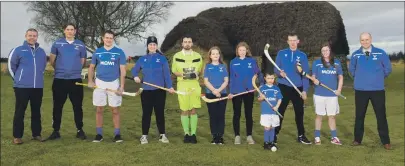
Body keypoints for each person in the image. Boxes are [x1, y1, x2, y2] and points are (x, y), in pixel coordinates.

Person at [348, 32, 392, 150]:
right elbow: (351, 69)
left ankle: (386, 141)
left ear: (371, 39)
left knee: (381, 116)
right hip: (361, 91)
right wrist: (359, 79)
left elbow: (388, 68)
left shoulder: (380, 52)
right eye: (362, 40)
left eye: (367, 39)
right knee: (359, 116)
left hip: (377, 90)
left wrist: (378, 78)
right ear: (360, 41)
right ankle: (357, 139)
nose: (365, 42)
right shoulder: (356, 54)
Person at [47, 23, 87, 141]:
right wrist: (61, 70)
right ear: (64, 31)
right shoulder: (57, 43)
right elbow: (52, 61)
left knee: (77, 106)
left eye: (72, 29)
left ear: (75, 31)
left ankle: (80, 130)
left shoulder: (80, 45)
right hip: (60, 80)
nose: (70, 31)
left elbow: (83, 62)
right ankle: (56, 131)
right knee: (57, 106)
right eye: (67, 29)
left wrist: (73, 71)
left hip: (75, 81)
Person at [131, 36, 175, 144]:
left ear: (156, 46)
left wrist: (170, 86)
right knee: (146, 113)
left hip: (159, 91)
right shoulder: (142, 59)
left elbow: (166, 75)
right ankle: (144, 136)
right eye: (150, 44)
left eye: (154, 44)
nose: (152, 46)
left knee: (159, 113)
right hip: (146, 91)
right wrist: (135, 76)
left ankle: (162, 135)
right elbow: (134, 70)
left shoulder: (162, 58)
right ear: (147, 46)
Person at [8, 28, 47, 144]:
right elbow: (11, 66)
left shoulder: (42, 51)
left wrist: (38, 78)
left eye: (34, 36)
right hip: (22, 87)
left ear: (37, 37)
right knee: (20, 111)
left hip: (37, 87)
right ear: (26, 36)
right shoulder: (18, 50)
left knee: (36, 111)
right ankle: (17, 136)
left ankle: (36, 134)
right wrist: (18, 80)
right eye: (30, 35)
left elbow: (42, 67)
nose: (32, 37)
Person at [87, 30, 127, 143]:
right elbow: (91, 67)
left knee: (115, 110)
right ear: (102, 38)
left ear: (113, 39)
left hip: (114, 82)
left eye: (111, 38)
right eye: (107, 37)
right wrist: (90, 81)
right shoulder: (97, 52)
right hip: (99, 83)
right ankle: (99, 134)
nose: (108, 40)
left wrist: (121, 86)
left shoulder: (119, 52)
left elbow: (123, 70)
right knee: (99, 109)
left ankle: (117, 135)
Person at [274, 32, 311, 144]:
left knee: (299, 113)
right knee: (280, 111)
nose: (293, 42)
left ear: (298, 41)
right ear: (288, 41)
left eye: (294, 40)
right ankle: (274, 135)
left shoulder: (302, 55)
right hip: (283, 86)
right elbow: (276, 70)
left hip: (297, 88)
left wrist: (304, 90)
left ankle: (301, 135)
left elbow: (305, 75)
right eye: (290, 40)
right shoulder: (281, 53)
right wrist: (280, 73)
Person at [228, 42, 263, 145]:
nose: (242, 52)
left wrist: (261, 83)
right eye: (240, 50)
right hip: (236, 92)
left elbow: (258, 73)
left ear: (246, 51)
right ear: (237, 51)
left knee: (248, 114)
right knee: (237, 114)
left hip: (249, 91)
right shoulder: (233, 62)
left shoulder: (251, 61)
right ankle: (237, 136)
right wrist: (231, 92)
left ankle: (249, 136)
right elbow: (232, 78)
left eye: (244, 50)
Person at [171, 35, 203, 144]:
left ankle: (193, 134)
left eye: (189, 42)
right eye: (185, 42)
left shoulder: (198, 56)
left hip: (194, 85)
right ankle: (186, 134)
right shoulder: (176, 56)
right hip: (182, 86)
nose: (187, 43)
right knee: (184, 109)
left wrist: (194, 74)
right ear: (182, 44)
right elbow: (175, 71)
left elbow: (199, 71)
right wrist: (185, 75)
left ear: (192, 43)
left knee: (193, 109)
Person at [311, 43, 343, 145]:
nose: (325, 52)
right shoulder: (317, 63)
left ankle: (334, 137)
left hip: (332, 95)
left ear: (330, 51)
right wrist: (314, 80)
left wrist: (339, 89)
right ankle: (317, 137)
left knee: (332, 116)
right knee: (319, 115)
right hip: (319, 94)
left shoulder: (337, 63)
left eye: (327, 50)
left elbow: (340, 77)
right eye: (323, 51)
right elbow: (313, 76)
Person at [203, 46, 229, 144]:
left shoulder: (223, 66)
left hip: (222, 94)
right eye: (213, 54)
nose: (215, 55)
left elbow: (226, 81)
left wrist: (219, 90)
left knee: (220, 115)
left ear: (219, 55)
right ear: (210, 55)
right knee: (213, 115)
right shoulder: (207, 67)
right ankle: (214, 136)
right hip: (210, 94)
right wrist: (214, 90)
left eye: (217, 54)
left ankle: (220, 137)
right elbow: (206, 81)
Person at [257, 73, 282, 150]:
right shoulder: (262, 88)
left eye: (272, 78)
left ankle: (271, 142)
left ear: (274, 78)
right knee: (267, 127)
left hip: (274, 111)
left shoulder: (276, 88)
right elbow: (259, 99)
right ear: (265, 78)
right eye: (268, 78)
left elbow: (280, 99)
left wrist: (277, 107)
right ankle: (266, 143)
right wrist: (262, 97)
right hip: (265, 112)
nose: (270, 80)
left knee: (272, 127)